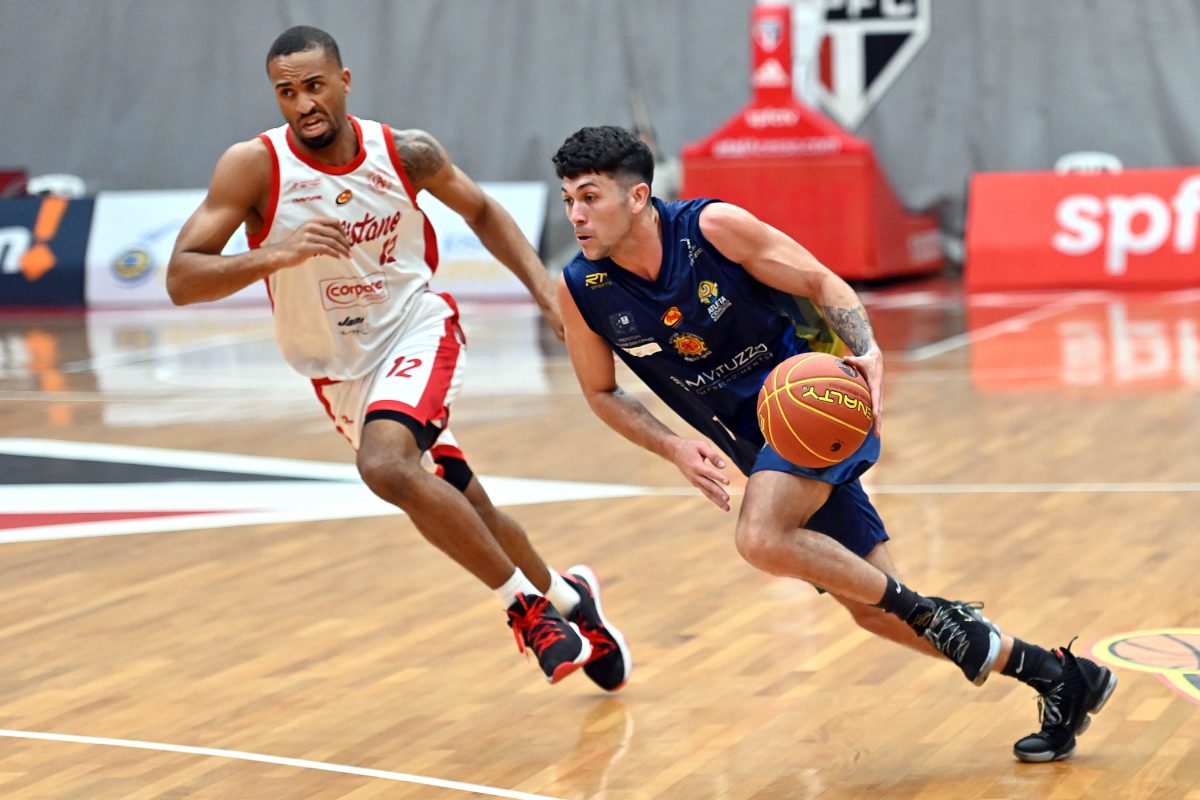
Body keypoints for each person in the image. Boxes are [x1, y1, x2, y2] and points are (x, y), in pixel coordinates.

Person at [550, 125, 1116, 761]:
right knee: (873, 607)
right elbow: (601, 392)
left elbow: (822, 282)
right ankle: (1058, 676)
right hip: (755, 444)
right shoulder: (581, 288)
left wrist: (867, 350)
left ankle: (933, 614)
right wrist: (674, 446)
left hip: (818, 403)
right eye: (568, 199)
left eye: (590, 197)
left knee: (760, 537)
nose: (575, 215)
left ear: (637, 197)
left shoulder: (711, 229)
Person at [165, 27, 631, 692]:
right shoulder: (254, 166)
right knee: (468, 506)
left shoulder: (404, 153)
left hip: (415, 329)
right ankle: (567, 598)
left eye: (315, 86)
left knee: (384, 466)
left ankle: (526, 611)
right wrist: (275, 252)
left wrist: (545, 292)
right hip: (338, 372)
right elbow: (182, 279)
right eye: (287, 92)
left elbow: (482, 211)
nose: (303, 104)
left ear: (344, 81)